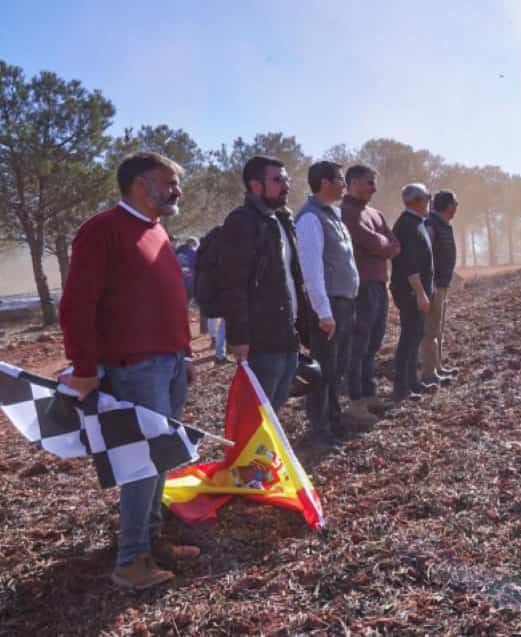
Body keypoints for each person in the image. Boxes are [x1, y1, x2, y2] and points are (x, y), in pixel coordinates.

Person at [59, 152, 199, 589]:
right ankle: (130, 561)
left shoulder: (157, 230)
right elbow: (76, 305)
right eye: (169, 182)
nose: (177, 190)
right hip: (135, 369)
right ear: (141, 184)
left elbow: (167, 299)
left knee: (163, 457)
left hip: (169, 363)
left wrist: (185, 353)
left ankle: (152, 539)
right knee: (142, 463)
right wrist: (84, 368)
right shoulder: (102, 230)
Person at [217, 156, 310, 413]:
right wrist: (238, 337)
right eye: (278, 180)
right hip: (260, 342)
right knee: (255, 416)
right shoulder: (242, 221)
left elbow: (294, 277)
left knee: (275, 412)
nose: (286, 185)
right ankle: (252, 455)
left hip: (287, 336)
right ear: (255, 186)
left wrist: (305, 326)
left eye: (287, 179)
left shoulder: (281, 220)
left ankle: (269, 455)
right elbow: (233, 285)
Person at [296, 161, 362, 447]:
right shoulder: (310, 218)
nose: (344, 184)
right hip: (328, 307)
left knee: (337, 368)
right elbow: (312, 271)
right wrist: (323, 312)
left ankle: (334, 422)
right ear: (325, 182)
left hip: (344, 303)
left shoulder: (332, 215)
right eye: (340, 179)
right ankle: (319, 431)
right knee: (323, 370)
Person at [341, 164, 400, 421]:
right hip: (360, 287)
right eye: (369, 182)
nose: (374, 188)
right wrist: (383, 244)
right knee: (359, 344)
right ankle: (355, 402)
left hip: (379, 284)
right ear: (352, 182)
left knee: (374, 343)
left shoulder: (376, 213)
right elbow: (369, 241)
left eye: (374, 182)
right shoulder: (345, 212)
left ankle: (369, 393)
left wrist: (382, 245)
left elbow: (394, 244)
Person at [391, 183, 436, 403]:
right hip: (409, 291)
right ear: (417, 201)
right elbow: (409, 263)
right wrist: (420, 292)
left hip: (417, 290)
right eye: (428, 197)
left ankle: (412, 382)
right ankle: (402, 388)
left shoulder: (417, 222)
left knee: (415, 335)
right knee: (409, 338)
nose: (430, 201)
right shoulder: (407, 225)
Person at [420, 189, 461, 385]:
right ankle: (428, 374)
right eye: (456, 203)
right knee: (430, 331)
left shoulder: (443, 225)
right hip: (434, 285)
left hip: (442, 284)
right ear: (449, 205)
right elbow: (425, 256)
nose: (457, 208)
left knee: (438, 329)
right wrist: (430, 284)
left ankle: (438, 366)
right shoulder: (431, 224)